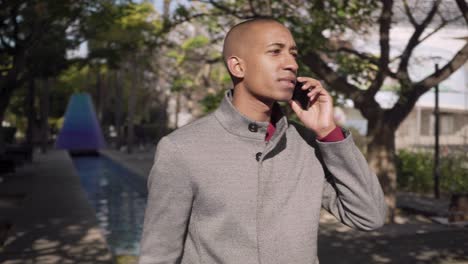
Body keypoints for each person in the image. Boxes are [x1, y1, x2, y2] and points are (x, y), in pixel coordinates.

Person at [138, 18, 387, 264]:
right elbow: (159, 254)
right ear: (238, 67)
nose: (291, 64)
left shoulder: (308, 145)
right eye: (275, 52)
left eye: (293, 54)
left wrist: (328, 131)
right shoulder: (182, 148)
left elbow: (369, 216)